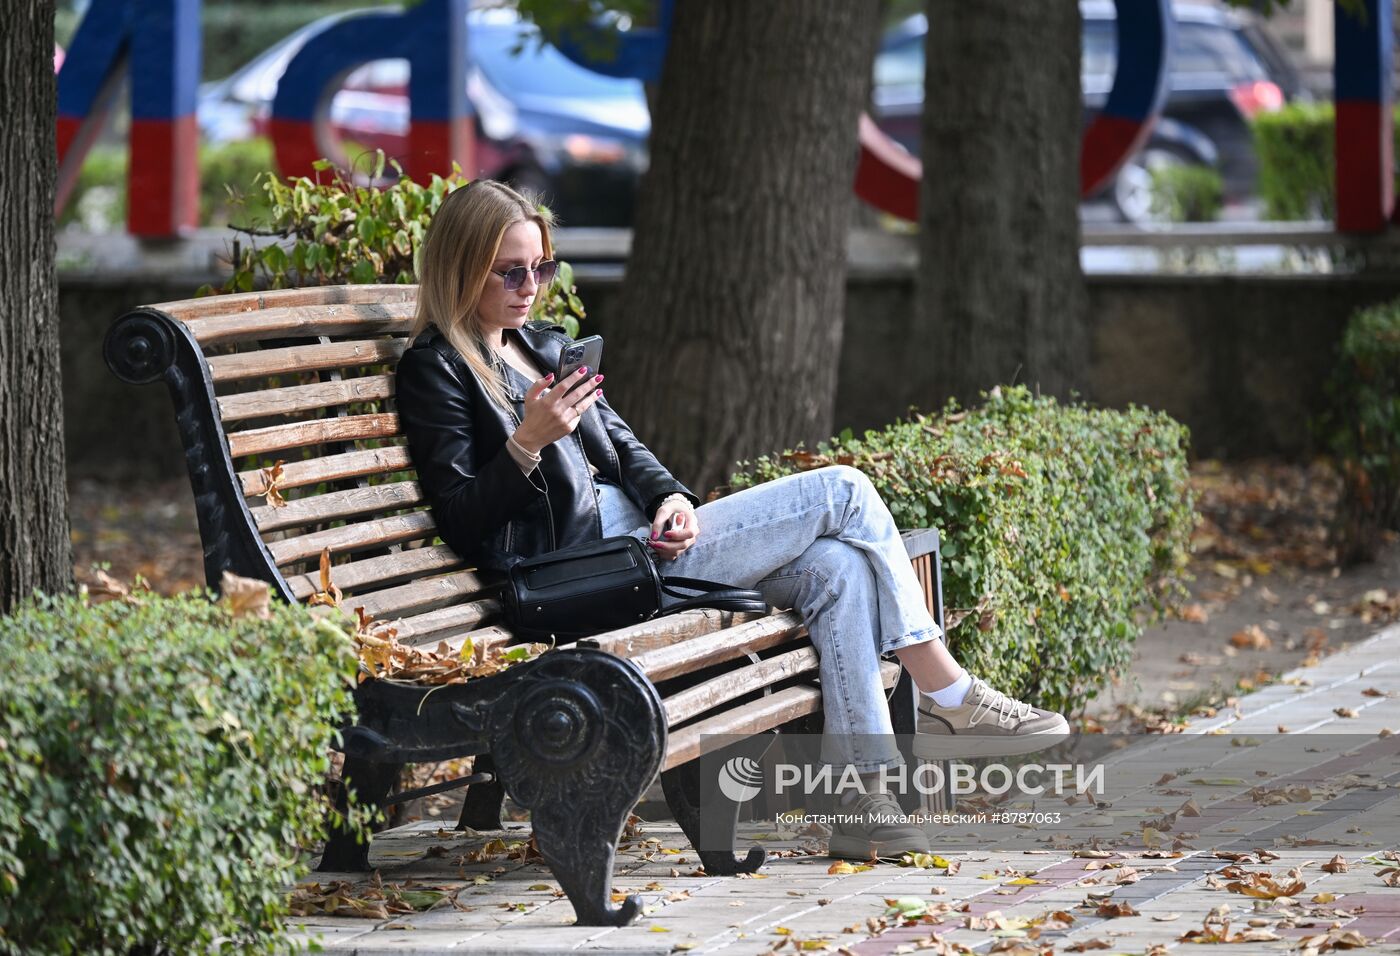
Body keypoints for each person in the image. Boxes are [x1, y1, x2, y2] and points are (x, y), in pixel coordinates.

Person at [395, 180, 1069, 860]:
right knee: (845, 490)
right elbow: (461, 520)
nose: (530, 286)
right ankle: (950, 692)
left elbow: (625, 448)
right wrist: (525, 443)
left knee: (836, 568)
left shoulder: (539, 344)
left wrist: (673, 501)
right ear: (462, 266)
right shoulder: (438, 369)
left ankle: (867, 798)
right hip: (586, 573)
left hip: (643, 541)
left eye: (539, 267)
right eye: (510, 271)